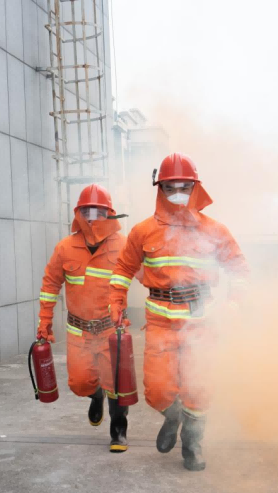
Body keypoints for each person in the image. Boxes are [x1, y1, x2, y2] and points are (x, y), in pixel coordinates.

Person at [108, 152, 250, 471]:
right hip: (160, 321)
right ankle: (172, 417)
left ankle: (192, 443)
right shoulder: (143, 231)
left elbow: (239, 269)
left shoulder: (215, 230)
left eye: (184, 186)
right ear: (159, 189)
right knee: (157, 390)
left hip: (203, 321)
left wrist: (234, 303)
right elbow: (123, 269)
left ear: (196, 187)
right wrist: (116, 301)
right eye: (170, 187)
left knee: (199, 387)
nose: (177, 193)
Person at [37, 183, 131, 452]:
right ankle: (95, 395)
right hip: (79, 331)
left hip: (112, 329)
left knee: (116, 382)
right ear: (78, 213)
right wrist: (44, 321)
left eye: (98, 212)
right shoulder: (65, 247)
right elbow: (50, 285)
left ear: (110, 214)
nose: (92, 218)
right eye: (87, 212)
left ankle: (118, 431)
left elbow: (145, 274)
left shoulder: (123, 245)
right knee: (80, 383)